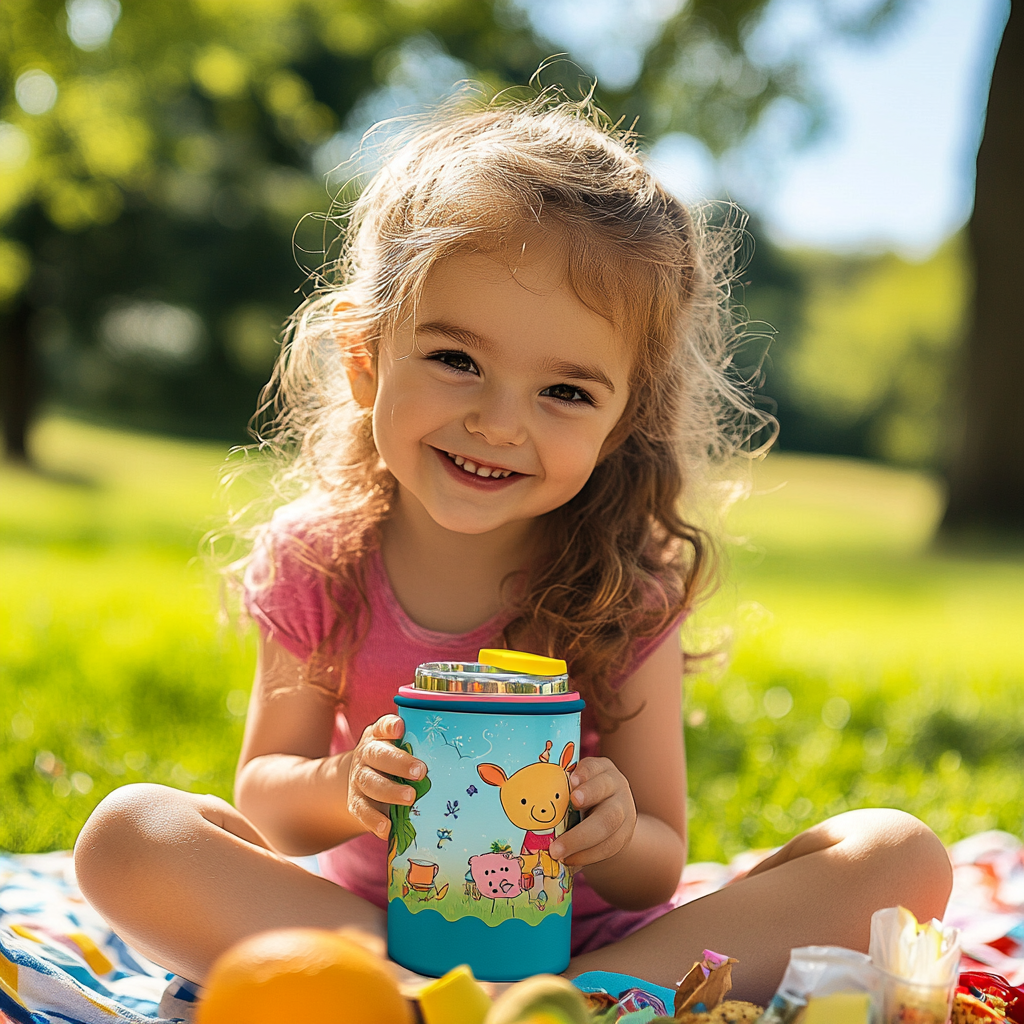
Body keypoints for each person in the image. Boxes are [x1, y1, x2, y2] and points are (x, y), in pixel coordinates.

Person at [73, 92, 952, 1004]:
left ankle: (563, 999)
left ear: (620, 424)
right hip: (377, 933)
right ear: (366, 356)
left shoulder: (628, 590)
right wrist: (344, 786)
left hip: (600, 943)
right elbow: (263, 801)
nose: (498, 423)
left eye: (566, 393)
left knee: (899, 856)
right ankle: (445, 994)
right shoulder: (321, 560)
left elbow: (658, 866)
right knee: (128, 832)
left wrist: (614, 826)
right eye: (457, 360)